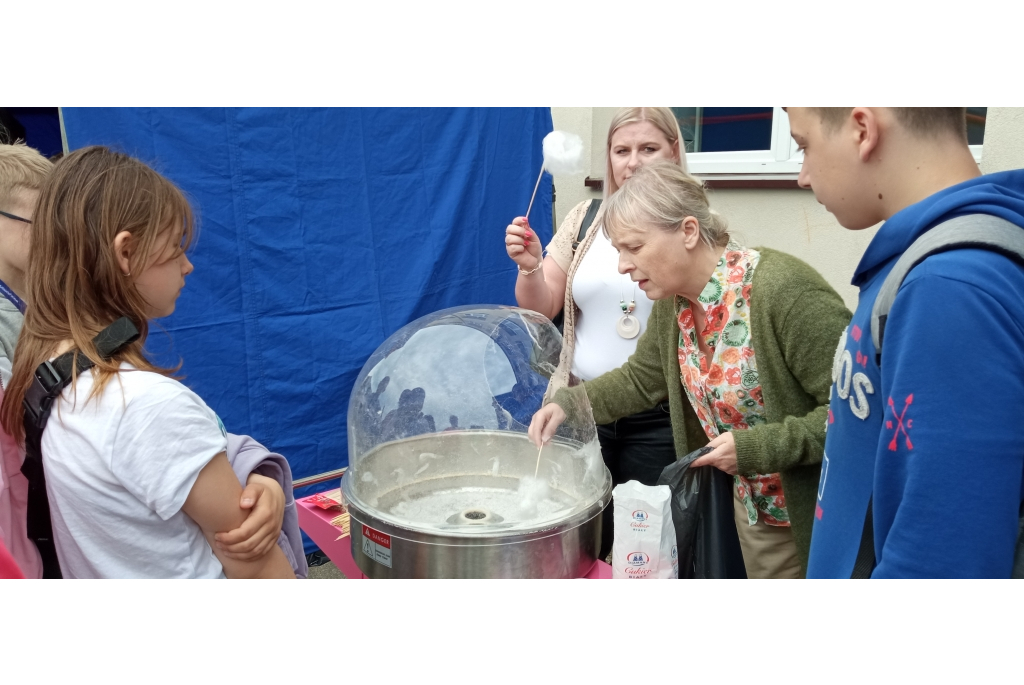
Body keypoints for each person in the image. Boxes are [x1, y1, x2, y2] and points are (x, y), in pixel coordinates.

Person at [529, 161, 851, 578]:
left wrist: (759, 448)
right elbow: (641, 381)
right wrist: (569, 404)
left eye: (634, 247)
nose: (623, 266)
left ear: (688, 231)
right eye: (618, 251)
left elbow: (855, 415)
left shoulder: (784, 291)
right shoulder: (675, 305)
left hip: (812, 519)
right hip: (747, 511)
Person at [0, 146, 295, 578]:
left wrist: (257, 477)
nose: (188, 265)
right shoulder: (144, 403)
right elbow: (254, 563)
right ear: (125, 252)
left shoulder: (46, 377)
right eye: (175, 247)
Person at [786, 107, 1024, 578]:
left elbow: (943, 562)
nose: (802, 174)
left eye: (803, 145)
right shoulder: (928, 261)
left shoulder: (949, 288)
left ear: (862, 129)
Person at [504, 107, 690, 557]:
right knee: (582, 537)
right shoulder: (586, 218)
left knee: (645, 546)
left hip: (660, 416)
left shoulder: (690, 226)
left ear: (674, 151)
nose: (633, 162)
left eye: (648, 149)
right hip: (583, 407)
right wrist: (529, 267)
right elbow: (543, 304)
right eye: (621, 150)